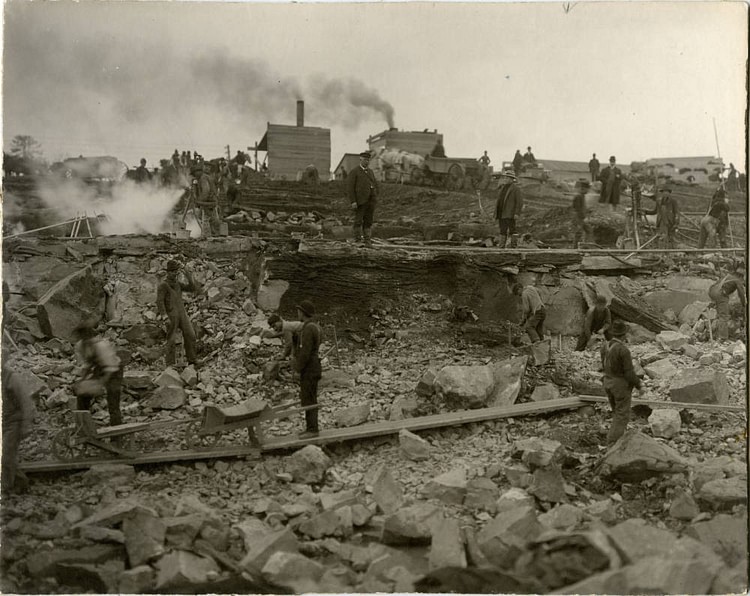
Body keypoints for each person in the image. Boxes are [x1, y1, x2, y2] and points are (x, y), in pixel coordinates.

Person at [72, 321, 124, 426]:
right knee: (82, 395)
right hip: (99, 369)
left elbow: (111, 368)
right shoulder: (81, 346)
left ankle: (117, 433)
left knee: (113, 400)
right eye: (81, 336)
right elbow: (88, 365)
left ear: (89, 334)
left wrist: (100, 384)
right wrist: (83, 381)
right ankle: (83, 426)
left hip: (114, 370)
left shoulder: (101, 346)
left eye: (85, 335)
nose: (83, 338)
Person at [600, 320, 644, 444]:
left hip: (608, 382)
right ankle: (613, 443)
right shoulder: (623, 350)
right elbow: (629, 373)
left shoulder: (605, 347)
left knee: (616, 412)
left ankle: (616, 438)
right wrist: (639, 385)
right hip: (620, 386)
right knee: (622, 416)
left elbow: (602, 365)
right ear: (624, 335)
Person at [156, 260, 201, 367]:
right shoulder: (163, 285)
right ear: (168, 272)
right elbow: (159, 301)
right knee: (171, 339)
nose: (175, 273)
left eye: (176, 271)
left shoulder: (177, 283)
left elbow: (192, 288)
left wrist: (186, 271)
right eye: (172, 271)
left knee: (191, 335)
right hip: (171, 315)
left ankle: (192, 360)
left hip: (182, 314)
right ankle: (170, 365)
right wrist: (164, 316)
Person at [2, 363, 34, 494]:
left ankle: (6, 488)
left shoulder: (12, 377)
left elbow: (26, 402)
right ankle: (21, 483)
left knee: (6, 455)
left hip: (14, 422)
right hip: (3, 420)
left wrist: (26, 425)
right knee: (7, 457)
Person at [294, 300, 322, 438]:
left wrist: (298, 368)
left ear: (303, 313)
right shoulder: (312, 326)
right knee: (308, 398)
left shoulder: (308, 328)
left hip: (310, 369)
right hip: (312, 367)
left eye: (299, 311)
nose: (297, 313)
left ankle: (312, 430)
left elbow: (305, 352)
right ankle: (310, 428)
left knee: (309, 399)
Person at [347, 151, 379, 246]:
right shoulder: (354, 171)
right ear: (360, 160)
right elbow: (350, 188)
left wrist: (375, 195)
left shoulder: (370, 172)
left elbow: (375, 184)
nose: (367, 162)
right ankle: (357, 240)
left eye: (368, 160)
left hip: (371, 201)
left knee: (368, 221)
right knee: (358, 221)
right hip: (360, 201)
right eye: (365, 160)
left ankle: (367, 241)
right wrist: (353, 201)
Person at [708, 263, 746, 340]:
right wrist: (744, 305)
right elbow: (741, 294)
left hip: (712, 290)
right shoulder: (738, 280)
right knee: (724, 316)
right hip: (720, 293)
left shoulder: (728, 275)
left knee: (720, 313)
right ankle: (723, 338)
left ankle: (715, 333)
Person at [494, 171, 523, 248]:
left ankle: (513, 246)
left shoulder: (516, 189)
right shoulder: (502, 188)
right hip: (501, 213)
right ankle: (501, 246)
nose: (505, 179)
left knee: (512, 230)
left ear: (512, 179)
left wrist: (517, 213)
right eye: (504, 178)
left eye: (507, 178)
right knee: (502, 230)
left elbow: (519, 202)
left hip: (510, 213)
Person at [572, 180, 592, 247]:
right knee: (578, 232)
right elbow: (577, 209)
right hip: (578, 218)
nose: (587, 191)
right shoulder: (578, 196)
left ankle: (585, 246)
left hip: (581, 217)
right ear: (583, 188)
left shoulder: (582, 196)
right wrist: (583, 217)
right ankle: (575, 248)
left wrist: (588, 211)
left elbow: (582, 207)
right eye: (587, 189)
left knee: (588, 230)